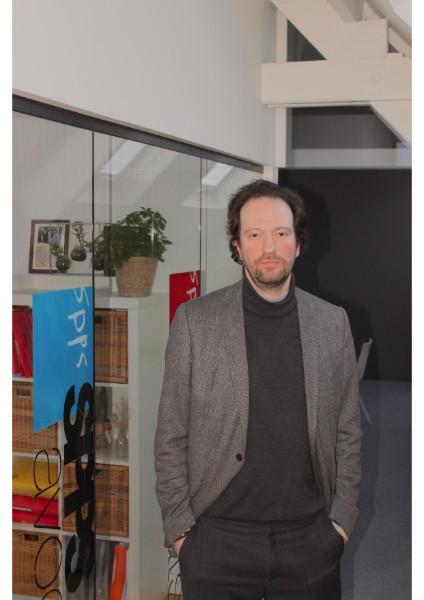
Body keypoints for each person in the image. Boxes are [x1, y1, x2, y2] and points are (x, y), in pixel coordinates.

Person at [154, 179, 361, 600]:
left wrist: (341, 522)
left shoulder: (332, 323)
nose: (269, 247)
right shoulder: (195, 322)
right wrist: (180, 532)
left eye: (281, 233)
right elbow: (171, 435)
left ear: (298, 243)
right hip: (217, 541)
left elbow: (348, 431)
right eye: (254, 235)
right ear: (237, 246)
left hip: (310, 538)